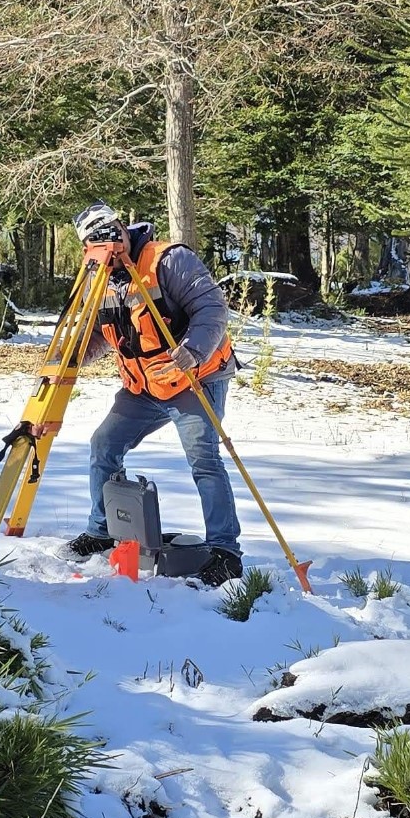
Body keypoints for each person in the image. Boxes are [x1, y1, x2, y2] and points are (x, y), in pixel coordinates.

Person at [61, 202, 245, 586]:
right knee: (104, 445)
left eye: (112, 232)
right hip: (144, 385)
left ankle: (225, 550)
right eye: (97, 240)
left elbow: (211, 309)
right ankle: (102, 530)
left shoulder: (169, 260)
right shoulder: (97, 274)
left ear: (122, 227)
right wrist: (75, 352)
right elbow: (99, 333)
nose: (111, 245)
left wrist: (192, 352)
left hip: (196, 375)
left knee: (204, 458)